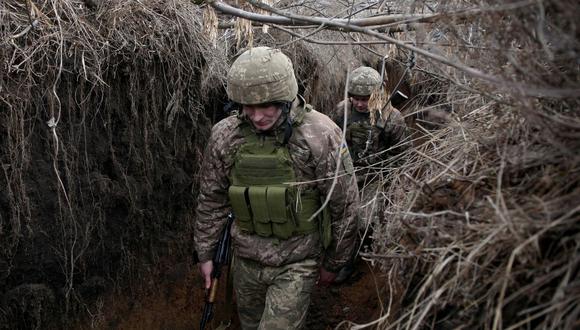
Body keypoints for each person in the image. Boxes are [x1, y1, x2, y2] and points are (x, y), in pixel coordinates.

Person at [194, 46, 359, 330]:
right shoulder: (225, 135)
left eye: (266, 105)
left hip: (297, 261)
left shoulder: (320, 134)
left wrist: (334, 262)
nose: (257, 116)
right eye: (248, 106)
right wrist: (205, 254)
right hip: (245, 260)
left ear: (286, 97)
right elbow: (212, 199)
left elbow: (344, 206)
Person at [332, 66, 409, 283]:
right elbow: (331, 139)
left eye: (365, 98)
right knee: (336, 216)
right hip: (346, 173)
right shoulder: (341, 111)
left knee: (362, 222)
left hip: (375, 177)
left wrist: (391, 184)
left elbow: (403, 156)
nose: (359, 103)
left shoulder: (392, 118)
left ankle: (352, 262)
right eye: (355, 98)